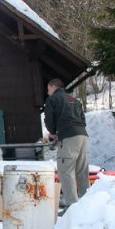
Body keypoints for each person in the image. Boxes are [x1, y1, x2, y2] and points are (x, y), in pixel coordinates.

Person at [43, 78, 89, 207]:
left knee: (65, 171)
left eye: (48, 89)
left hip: (69, 138)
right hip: (83, 136)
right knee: (82, 171)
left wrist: (52, 133)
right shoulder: (75, 100)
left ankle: (72, 206)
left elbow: (49, 119)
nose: (48, 92)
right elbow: (83, 120)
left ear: (53, 87)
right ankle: (87, 203)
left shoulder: (53, 99)